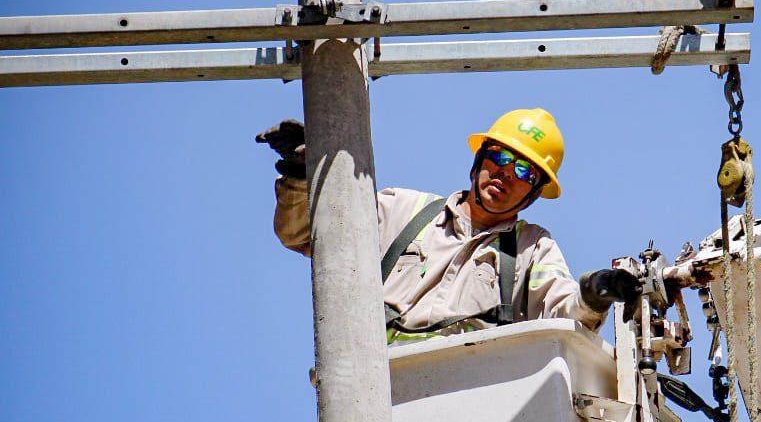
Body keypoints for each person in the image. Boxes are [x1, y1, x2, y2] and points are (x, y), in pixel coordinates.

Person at [258, 106, 640, 342]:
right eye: (500, 157)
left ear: (537, 192)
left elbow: (564, 314)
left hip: (468, 398)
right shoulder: (401, 210)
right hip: (379, 388)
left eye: (523, 170)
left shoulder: (532, 250)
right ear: (479, 159)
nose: (506, 173)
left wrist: (593, 295)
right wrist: (299, 177)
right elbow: (304, 233)